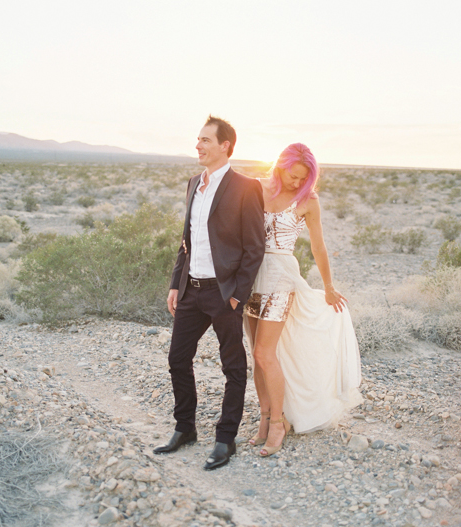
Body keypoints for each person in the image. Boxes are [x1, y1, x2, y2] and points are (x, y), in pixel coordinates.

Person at [153, 116, 266, 470]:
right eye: (197, 139)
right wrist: (176, 283)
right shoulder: (192, 184)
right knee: (176, 360)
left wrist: (237, 295)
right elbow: (186, 242)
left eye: (204, 140)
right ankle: (185, 428)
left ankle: (225, 439)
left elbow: (255, 248)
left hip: (224, 294)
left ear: (225, 146)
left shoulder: (246, 187)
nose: (197, 145)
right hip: (191, 291)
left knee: (232, 367)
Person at [244, 143, 362, 457]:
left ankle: (279, 423)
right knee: (255, 356)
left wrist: (328, 286)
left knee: (264, 352)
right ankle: (265, 418)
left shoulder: (308, 200)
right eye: (293, 176)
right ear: (280, 167)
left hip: (281, 276)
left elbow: (318, 248)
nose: (297, 183)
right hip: (250, 275)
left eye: (303, 178)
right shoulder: (258, 189)